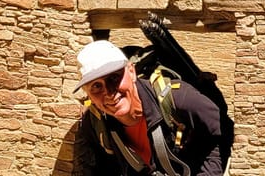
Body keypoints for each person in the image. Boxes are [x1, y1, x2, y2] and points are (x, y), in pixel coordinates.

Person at [72, 39, 227, 176]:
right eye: (96, 86)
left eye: (114, 78)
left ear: (131, 72)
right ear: (88, 94)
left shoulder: (180, 100)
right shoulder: (94, 123)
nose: (109, 92)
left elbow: (222, 134)